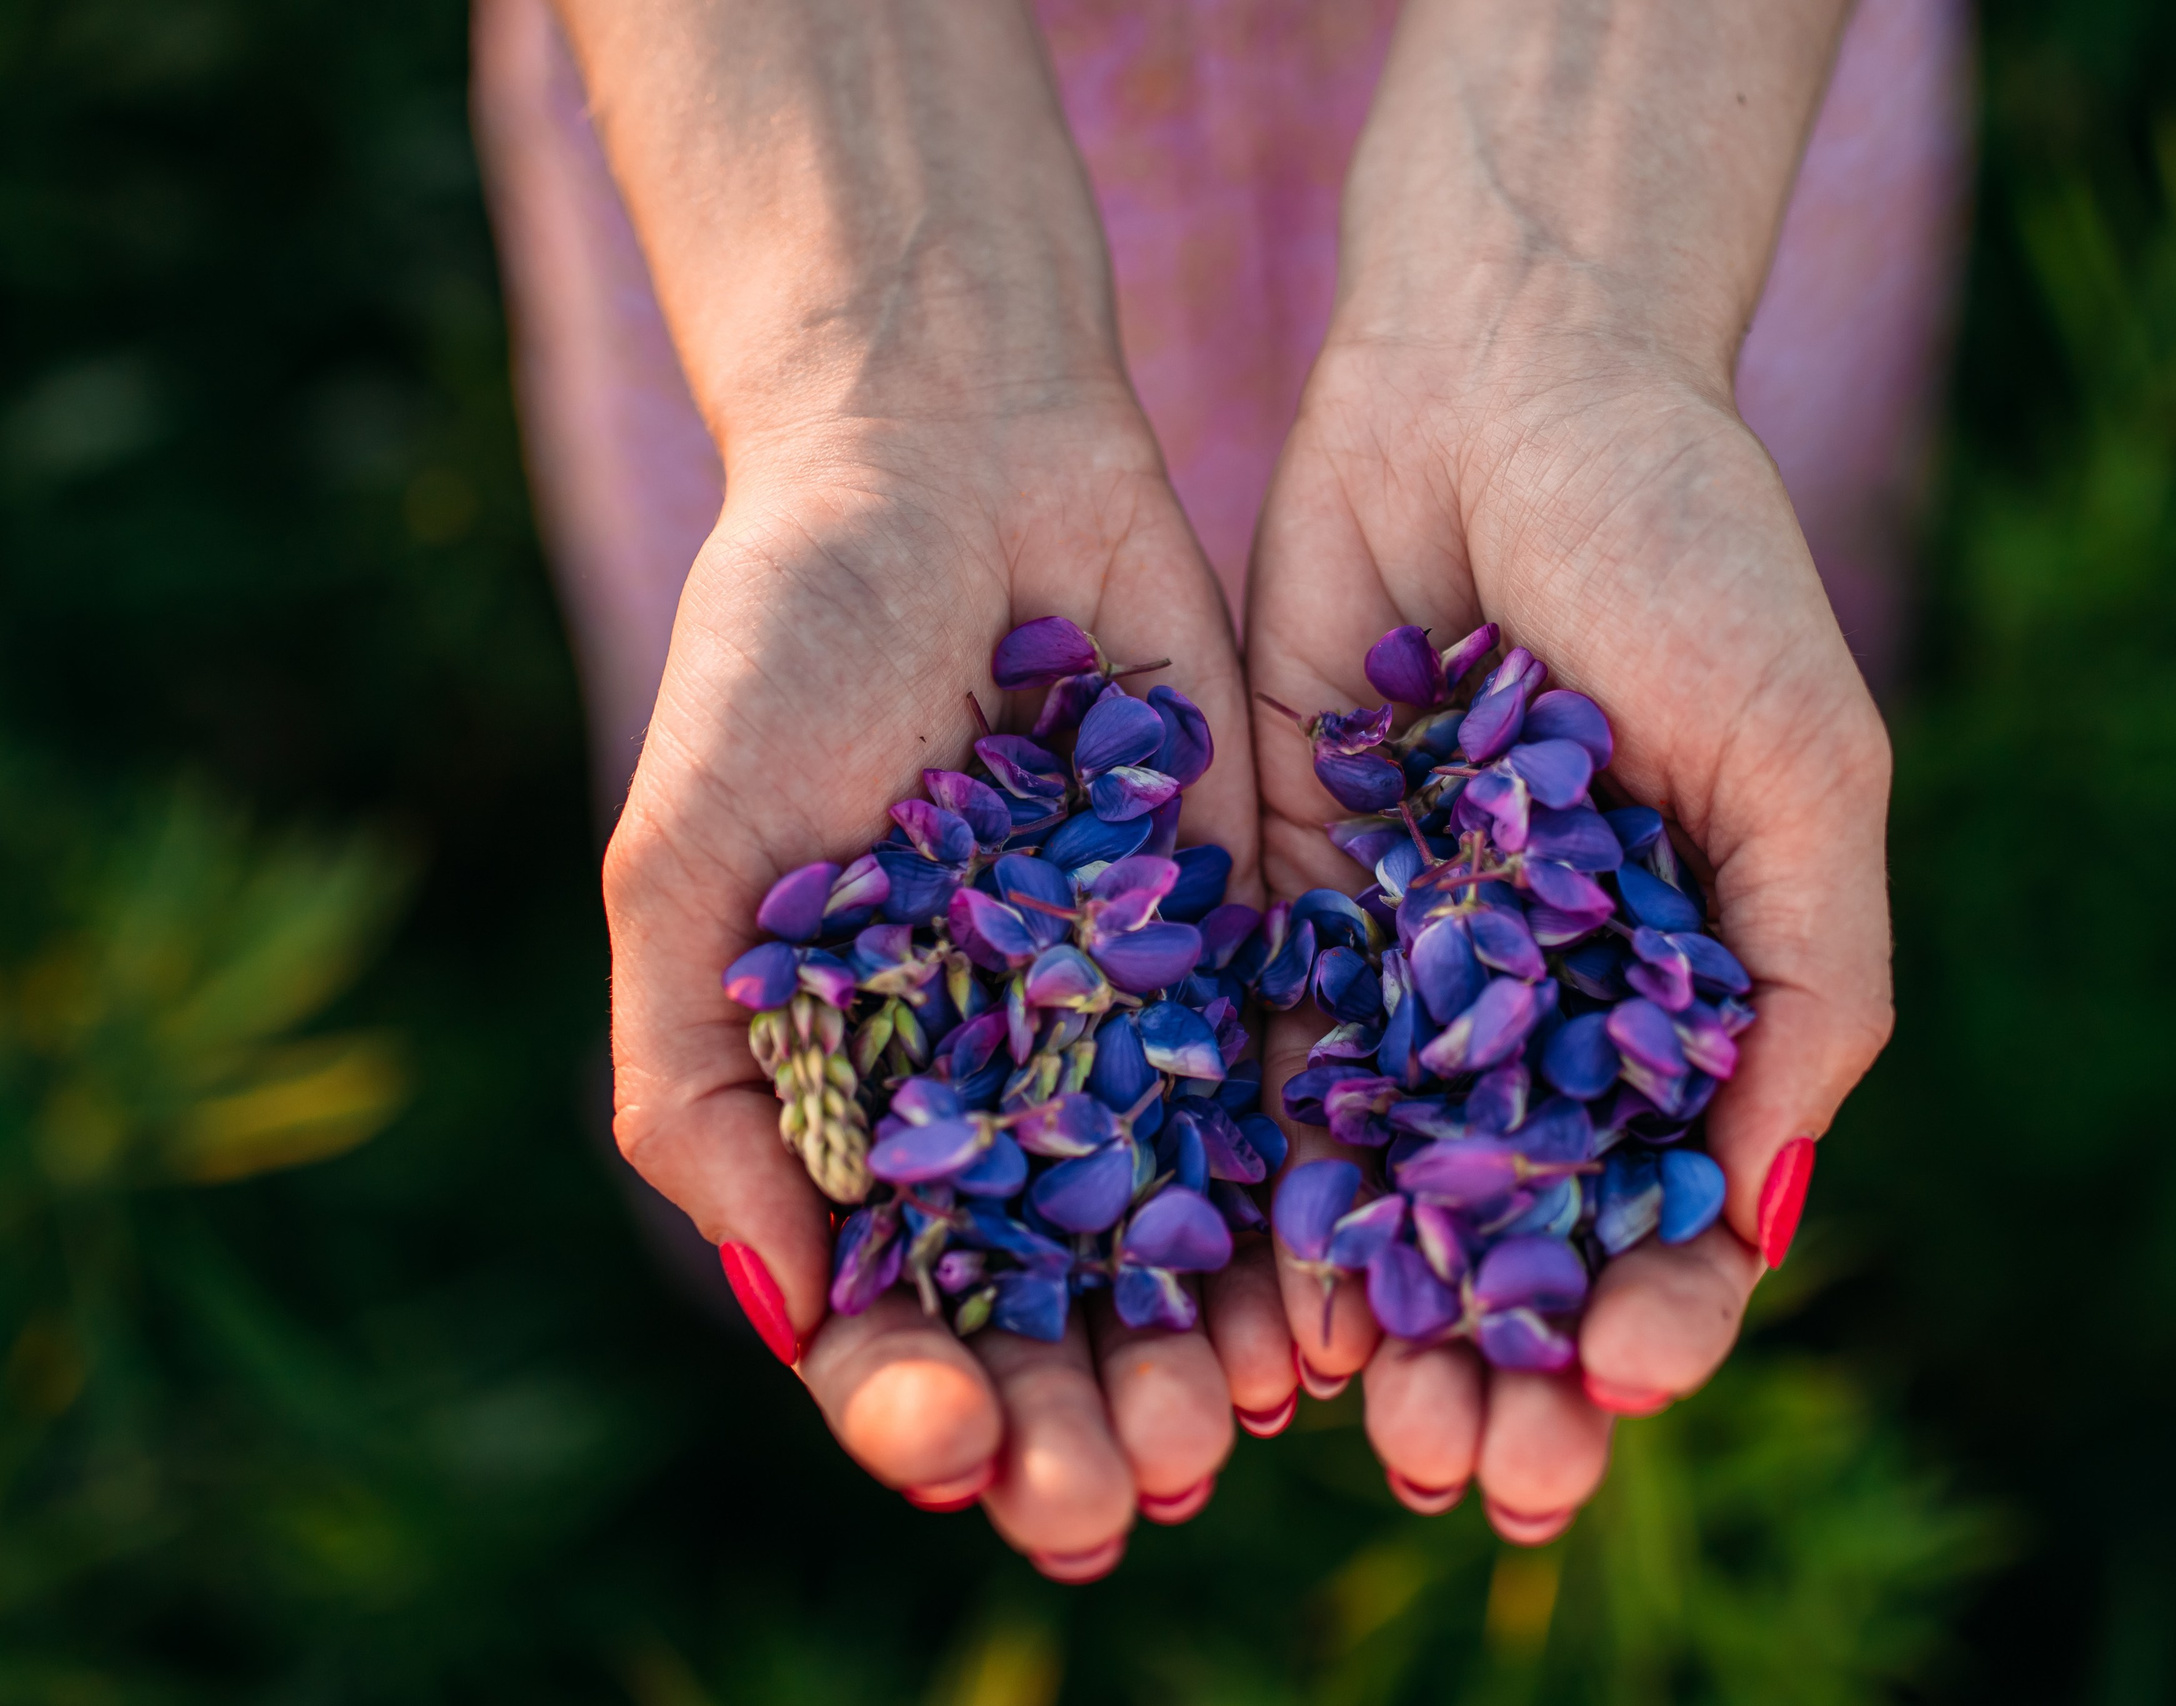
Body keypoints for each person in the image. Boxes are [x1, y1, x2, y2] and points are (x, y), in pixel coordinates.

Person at [474, 0, 1967, 1582]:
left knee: (1683, 637)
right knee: (830, 657)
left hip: (1666, 115)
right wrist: (872, 376)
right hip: (778, 133)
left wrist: (1576, 285)